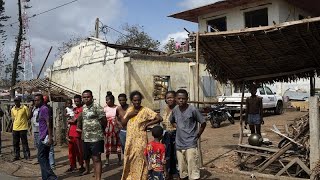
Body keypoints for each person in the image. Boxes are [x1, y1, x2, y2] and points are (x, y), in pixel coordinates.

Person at [121, 90, 163, 180]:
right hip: (130, 139)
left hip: (140, 139)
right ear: (131, 101)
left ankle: (141, 177)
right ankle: (130, 177)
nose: (137, 102)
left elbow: (159, 118)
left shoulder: (145, 110)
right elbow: (123, 123)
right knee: (129, 157)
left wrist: (147, 124)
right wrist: (129, 116)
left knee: (141, 158)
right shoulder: (130, 110)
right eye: (134, 100)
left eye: (138, 100)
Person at [170, 89, 206, 180]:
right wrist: (178, 127)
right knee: (182, 171)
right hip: (179, 145)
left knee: (193, 170)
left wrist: (197, 135)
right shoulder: (175, 109)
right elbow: (172, 120)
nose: (181, 100)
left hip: (190, 144)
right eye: (179, 98)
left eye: (183, 98)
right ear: (175, 99)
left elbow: (203, 123)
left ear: (187, 99)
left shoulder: (193, 109)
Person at [77, 90, 105, 180]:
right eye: (84, 97)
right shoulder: (83, 107)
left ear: (92, 97)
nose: (86, 99)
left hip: (96, 137)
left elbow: (104, 120)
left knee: (97, 159)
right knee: (90, 158)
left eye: (88, 97)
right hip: (86, 138)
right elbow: (81, 120)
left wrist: (101, 130)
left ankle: (98, 178)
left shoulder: (97, 106)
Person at [34, 94, 57, 180]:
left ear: (42, 101)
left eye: (37, 100)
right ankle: (46, 177)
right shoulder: (40, 109)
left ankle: (52, 176)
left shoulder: (44, 109)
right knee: (44, 157)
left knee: (41, 157)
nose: (36, 102)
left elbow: (48, 123)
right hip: (42, 136)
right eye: (35, 100)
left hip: (45, 137)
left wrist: (50, 137)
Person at [162, 91, 179, 180]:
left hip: (176, 134)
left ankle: (177, 173)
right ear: (165, 99)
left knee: (176, 155)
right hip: (166, 135)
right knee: (167, 155)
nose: (170, 99)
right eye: (168, 98)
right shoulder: (164, 108)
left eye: (172, 97)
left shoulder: (178, 109)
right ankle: (169, 173)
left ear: (175, 98)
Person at [66, 95, 84, 173]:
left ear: (81, 101)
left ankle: (81, 166)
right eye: (75, 101)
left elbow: (73, 121)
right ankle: (72, 165)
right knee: (71, 151)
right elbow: (70, 121)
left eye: (78, 101)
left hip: (77, 133)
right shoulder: (74, 109)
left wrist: (70, 120)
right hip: (71, 132)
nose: (76, 103)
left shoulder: (82, 109)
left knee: (79, 151)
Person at [104, 91, 122, 166]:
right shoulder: (105, 108)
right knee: (107, 143)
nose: (106, 101)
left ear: (111, 100)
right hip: (108, 128)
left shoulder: (117, 108)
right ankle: (107, 160)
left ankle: (119, 160)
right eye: (106, 100)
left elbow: (120, 117)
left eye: (107, 100)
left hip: (116, 128)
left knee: (118, 143)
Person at [43, 95, 56, 170]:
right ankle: (49, 164)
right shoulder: (42, 108)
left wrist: (50, 134)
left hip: (48, 130)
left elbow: (49, 122)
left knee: (50, 149)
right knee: (44, 149)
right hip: (42, 131)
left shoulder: (48, 109)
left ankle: (51, 165)